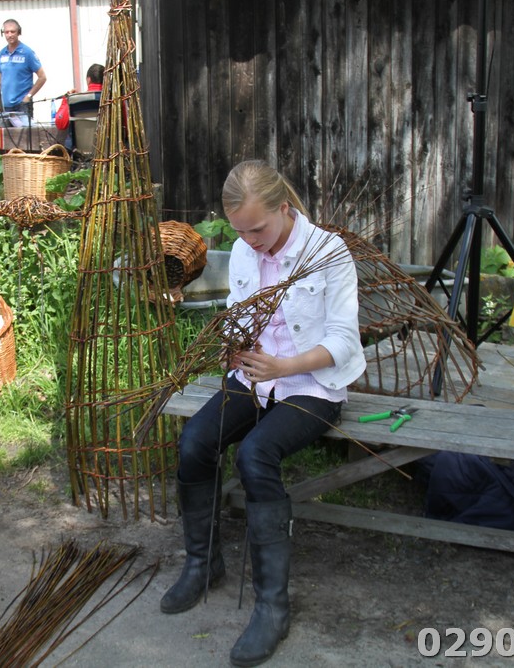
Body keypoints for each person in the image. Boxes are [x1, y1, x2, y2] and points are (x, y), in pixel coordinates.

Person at [160, 160, 366, 666]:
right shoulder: (245, 253)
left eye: (258, 229)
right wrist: (233, 345)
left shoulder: (327, 252)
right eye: (240, 232)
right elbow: (239, 312)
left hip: (313, 385)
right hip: (254, 377)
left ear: (284, 209)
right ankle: (203, 564)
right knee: (194, 442)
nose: (250, 241)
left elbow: (344, 340)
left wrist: (285, 365)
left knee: (255, 456)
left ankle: (273, 607)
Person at [0, 19, 46, 116]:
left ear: (19, 32)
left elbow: (42, 77)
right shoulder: (2, 53)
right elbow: (1, 75)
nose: (10, 35)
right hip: (5, 105)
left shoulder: (27, 52)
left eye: (12, 31)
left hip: (22, 105)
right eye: (6, 32)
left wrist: (28, 96)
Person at [54, 63, 104, 131]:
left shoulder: (76, 100)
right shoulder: (111, 101)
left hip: (82, 137)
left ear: (88, 80)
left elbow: (60, 125)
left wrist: (66, 101)